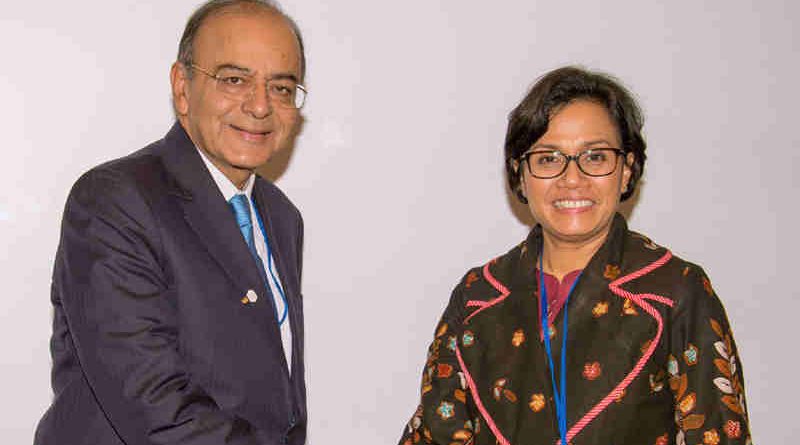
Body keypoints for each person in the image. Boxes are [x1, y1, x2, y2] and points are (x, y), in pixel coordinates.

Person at [399, 66, 752, 445]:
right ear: (519, 173)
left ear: (627, 170)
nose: (572, 179)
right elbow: (434, 434)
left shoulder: (674, 292)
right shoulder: (478, 296)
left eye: (595, 157)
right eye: (549, 158)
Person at [34, 1, 309, 444]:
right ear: (183, 87)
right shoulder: (115, 200)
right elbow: (153, 406)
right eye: (234, 80)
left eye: (281, 87)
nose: (260, 106)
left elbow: (277, 396)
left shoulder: (281, 216)